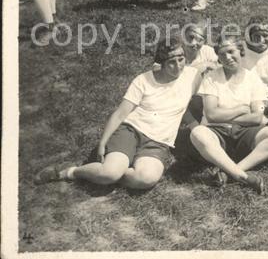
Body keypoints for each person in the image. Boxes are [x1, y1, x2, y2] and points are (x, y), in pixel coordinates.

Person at [34, 38, 202, 189]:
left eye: (181, 59)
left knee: (146, 179)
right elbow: (121, 114)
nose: (178, 66)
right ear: (161, 63)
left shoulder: (192, 76)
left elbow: (214, 65)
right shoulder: (143, 80)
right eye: (171, 62)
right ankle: (70, 172)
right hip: (131, 131)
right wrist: (102, 143)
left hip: (158, 141)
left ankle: (115, 171)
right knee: (109, 173)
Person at [186, 36, 268, 194]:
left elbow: (256, 117)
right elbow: (212, 115)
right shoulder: (211, 78)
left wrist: (226, 115)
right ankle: (242, 176)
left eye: (230, 51)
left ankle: (230, 171)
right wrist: (241, 109)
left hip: (244, 133)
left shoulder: (253, 79)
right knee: (198, 133)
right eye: (221, 54)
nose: (227, 57)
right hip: (216, 132)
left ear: (241, 51)